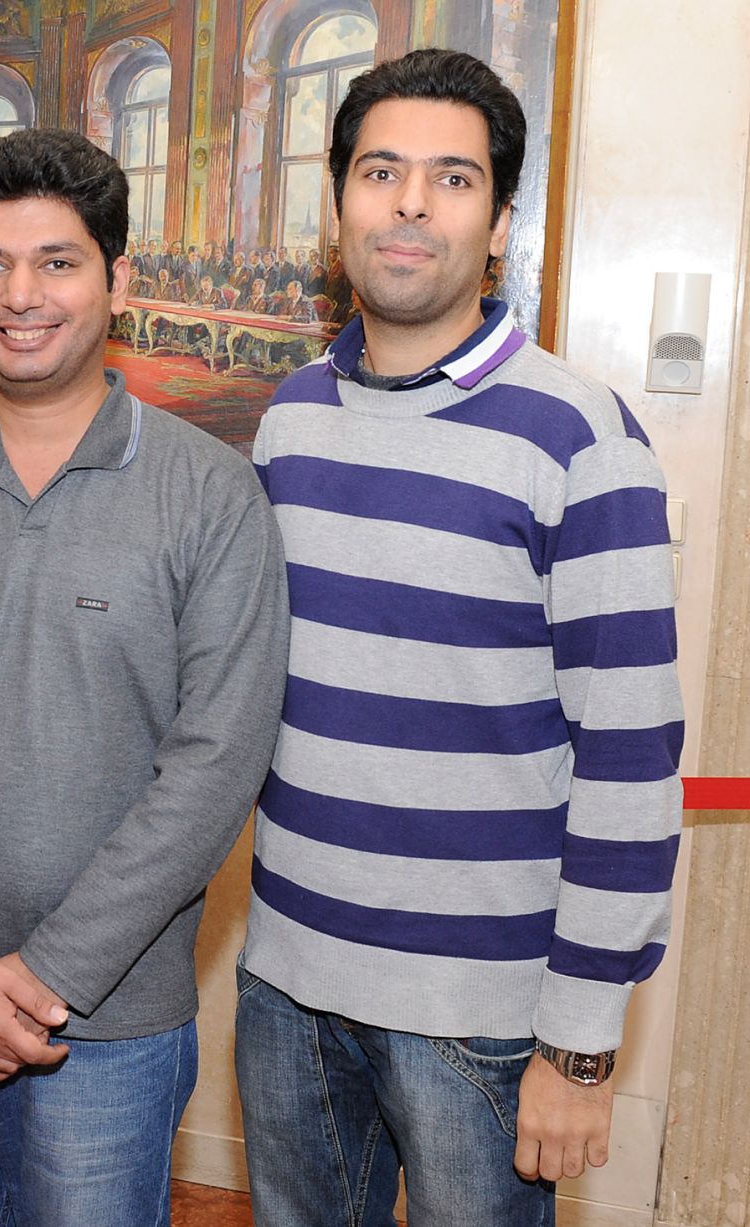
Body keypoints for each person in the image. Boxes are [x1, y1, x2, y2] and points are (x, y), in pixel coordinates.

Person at [235, 49, 683, 1227]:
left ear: (496, 225)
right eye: (380, 172)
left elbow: (629, 758)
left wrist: (579, 1045)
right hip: (285, 981)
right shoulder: (287, 420)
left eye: (451, 178)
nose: (410, 205)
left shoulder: (578, 437)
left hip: (482, 1019)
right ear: (337, 204)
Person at [0, 126, 289, 1226]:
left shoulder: (212, 494)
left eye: (56, 261)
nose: (20, 295)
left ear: (116, 280)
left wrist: (45, 978)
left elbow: (215, 765)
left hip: (110, 1020)